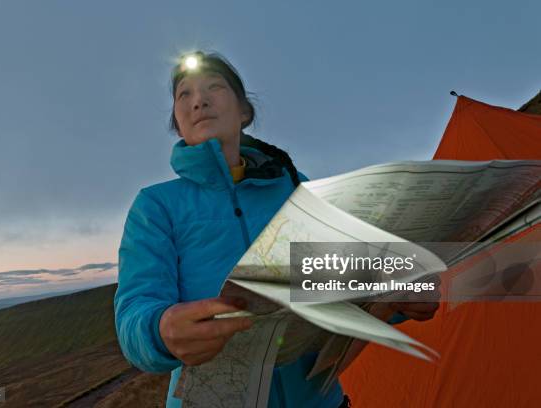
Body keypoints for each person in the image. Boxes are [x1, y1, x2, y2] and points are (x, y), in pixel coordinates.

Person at [114, 51, 439, 407]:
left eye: (214, 87)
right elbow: (135, 310)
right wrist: (160, 330)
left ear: (244, 111)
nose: (199, 101)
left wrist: (399, 300)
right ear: (177, 122)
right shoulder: (156, 206)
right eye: (184, 95)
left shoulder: (296, 189)